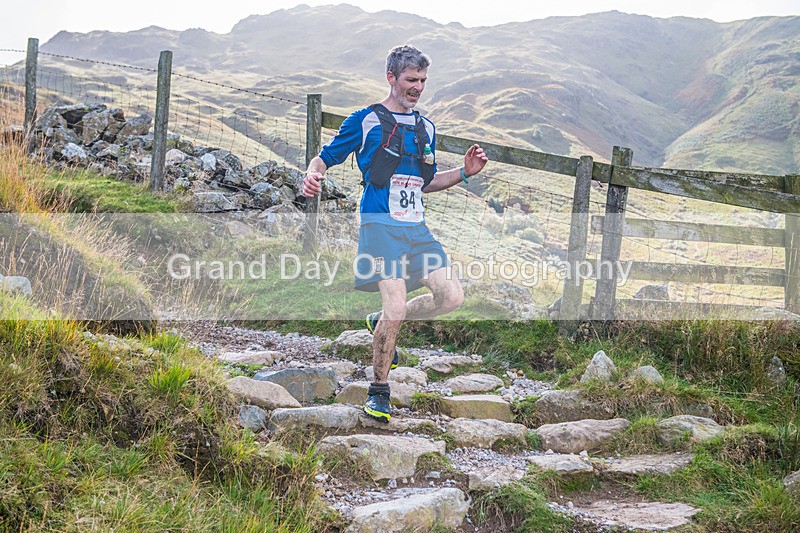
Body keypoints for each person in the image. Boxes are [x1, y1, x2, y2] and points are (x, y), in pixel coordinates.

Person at [302, 44, 488, 423]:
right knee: (397, 308)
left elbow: (426, 182)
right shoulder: (365, 119)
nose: (417, 87)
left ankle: (381, 322)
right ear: (392, 78)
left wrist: (466, 173)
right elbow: (326, 156)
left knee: (451, 297)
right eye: (410, 79)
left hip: (416, 229)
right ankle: (379, 392)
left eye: (422, 80)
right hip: (380, 226)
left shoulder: (426, 127)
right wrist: (312, 173)